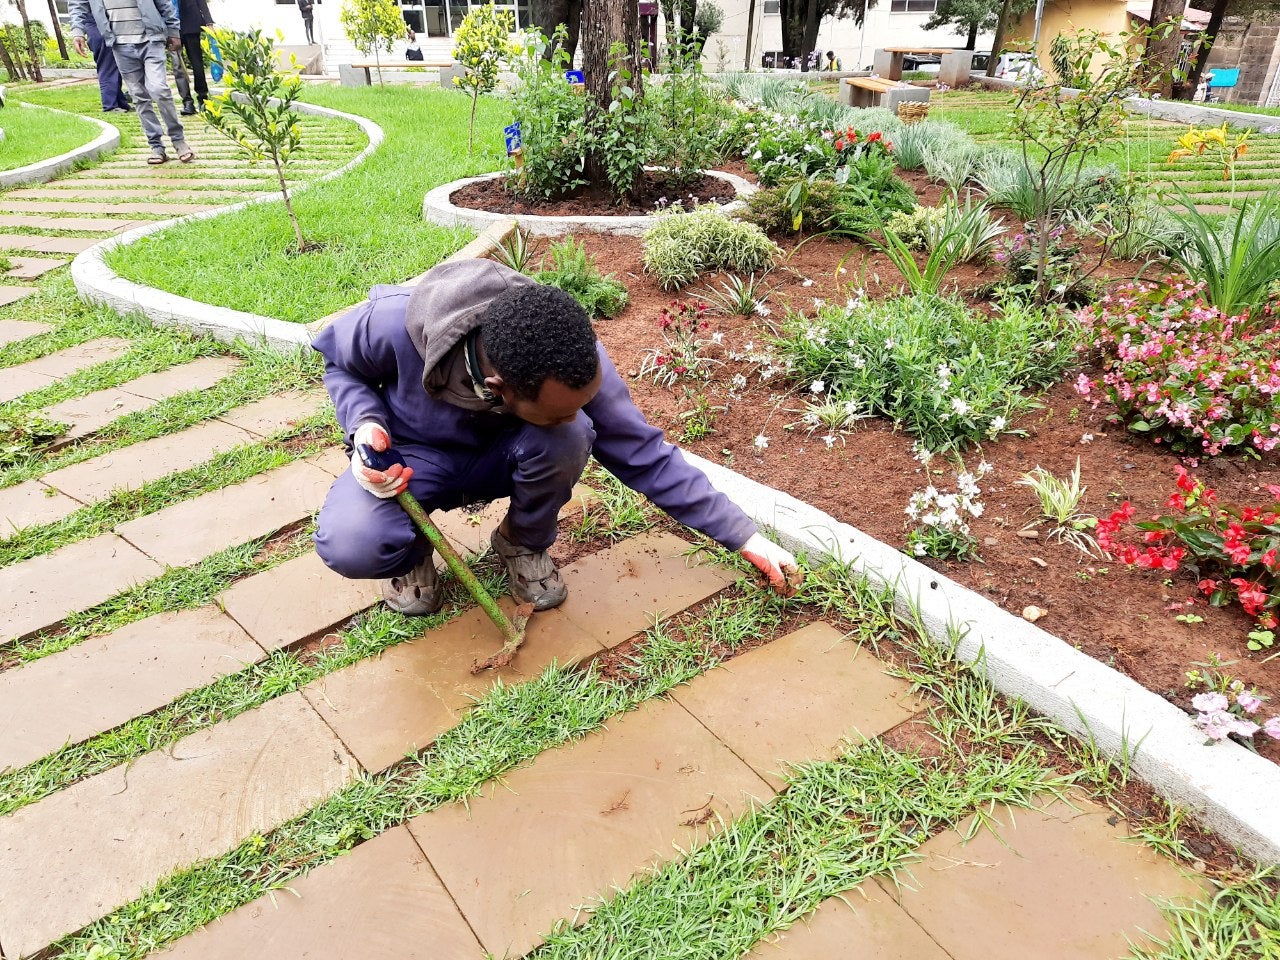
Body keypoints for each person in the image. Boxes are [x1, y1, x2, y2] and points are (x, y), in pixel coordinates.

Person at [312, 259, 802, 616]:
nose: (575, 412)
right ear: (499, 388)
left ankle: (521, 543)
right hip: (412, 462)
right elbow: (340, 364)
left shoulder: (564, 353)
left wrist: (745, 537)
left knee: (568, 437)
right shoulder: (395, 323)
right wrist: (366, 426)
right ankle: (414, 553)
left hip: (504, 454)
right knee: (354, 543)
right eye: (557, 409)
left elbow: (642, 452)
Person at [69, 0, 195, 165]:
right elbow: (77, 4)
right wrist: (78, 32)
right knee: (139, 96)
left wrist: (173, 31)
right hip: (119, 45)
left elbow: (164, 2)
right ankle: (156, 147)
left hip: (151, 39)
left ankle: (179, 141)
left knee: (159, 89)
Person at [83, 15, 131, 112]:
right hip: (100, 28)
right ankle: (110, 105)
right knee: (107, 69)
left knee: (114, 68)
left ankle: (120, 103)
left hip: (102, 27)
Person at [178, 0, 213, 108]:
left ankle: (200, 98)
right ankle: (190, 100)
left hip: (190, 24)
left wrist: (209, 22)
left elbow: (201, 3)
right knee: (179, 66)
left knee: (195, 64)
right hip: (173, 27)